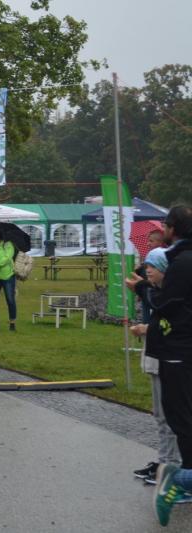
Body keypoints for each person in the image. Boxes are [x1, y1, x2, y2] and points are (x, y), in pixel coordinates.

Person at [127, 205, 192, 526]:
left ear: (172, 228)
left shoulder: (182, 263)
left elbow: (168, 307)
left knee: (178, 415)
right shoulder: (181, 260)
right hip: (175, 348)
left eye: (165, 225)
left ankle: (179, 477)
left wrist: (143, 288)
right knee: (177, 414)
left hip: (177, 350)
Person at [130, 248, 183, 488]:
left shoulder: (168, 296)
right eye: (147, 265)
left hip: (167, 359)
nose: (147, 269)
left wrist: (146, 329)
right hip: (155, 357)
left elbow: (171, 326)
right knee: (160, 415)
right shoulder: (155, 293)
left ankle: (171, 464)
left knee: (169, 417)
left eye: (152, 265)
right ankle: (164, 462)